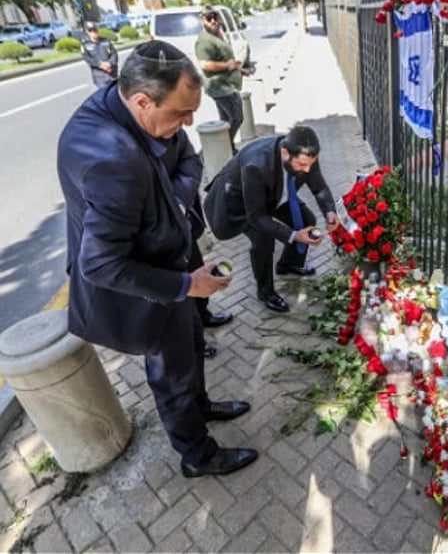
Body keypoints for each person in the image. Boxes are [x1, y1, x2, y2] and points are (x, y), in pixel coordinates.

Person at [57, 40, 257, 478]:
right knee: (172, 375)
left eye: (191, 113)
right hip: (146, 284)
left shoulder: (133, 107)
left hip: (172, 262)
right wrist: (187, 286)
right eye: (180, 115)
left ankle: (201, 407)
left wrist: (175, 200)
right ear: (143, 99)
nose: (187, 124)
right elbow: (101, 264)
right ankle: (198, 456)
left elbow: (187, 158)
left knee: (191, 345)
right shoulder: (112, 160)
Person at [203, 126, 339, 313]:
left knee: (307, 218)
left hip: (274, 194)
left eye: (310, 164)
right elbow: (257, 217)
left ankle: (288, 264)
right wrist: (294, 235)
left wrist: (330, 212)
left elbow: (319, 186)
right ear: (284, 153)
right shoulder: (256, 166)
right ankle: (266, 292)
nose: (307, 170)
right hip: (241, 202)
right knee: (263, 239)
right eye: (301, 165)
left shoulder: (305, 154)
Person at [159, 129, 233, 359]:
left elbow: (191, 161)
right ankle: (194, 342)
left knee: (196, 269)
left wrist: (180, 201)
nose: (188, 121)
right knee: (182, 290)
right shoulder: (126, 144)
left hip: (186, 225)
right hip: (162, 237)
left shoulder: (171, 129)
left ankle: (204, 315)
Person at [195, 5, 244, 153]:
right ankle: (223, 147)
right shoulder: (204, 41)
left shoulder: (216, 35)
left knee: (226, 120)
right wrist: (227, 66)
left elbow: (226, 59)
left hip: (227, 84)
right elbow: (205, 64)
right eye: (209, 18)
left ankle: (227, 149)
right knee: (236, 117)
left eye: (215, 17)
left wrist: (239, 69)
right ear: (202, 21)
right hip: (220, 87)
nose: (213, 21)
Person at [81, 21, 118, 87]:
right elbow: (87, 58)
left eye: (95, 29)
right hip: (99, 75)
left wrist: (110, 63)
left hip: (112, 72)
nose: (94, 32)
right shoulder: (86, 44)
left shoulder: (106, 41)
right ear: (87, 32)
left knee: (114, 92)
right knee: (103, 93)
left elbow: (114, 54)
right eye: (91, 30)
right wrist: (100, 64)